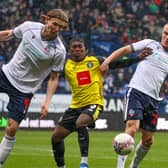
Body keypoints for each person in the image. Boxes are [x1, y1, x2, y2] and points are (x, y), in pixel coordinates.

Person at [40, 37, 152, 168]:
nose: (77, 49)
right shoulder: (66, 66)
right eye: (74, 47)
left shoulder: (95, 61)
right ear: (69, 50)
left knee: (81, 122)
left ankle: (84, 162)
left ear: (85, 50)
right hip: (74, 107)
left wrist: (137, 58)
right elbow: (51, 78)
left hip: (94, 103)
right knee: (56, 137)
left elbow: (118, 63)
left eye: (79, 47)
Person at [0, 9, 69, 168]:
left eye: (61, 27)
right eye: (55, 24)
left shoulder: (59, 51)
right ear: (46, 19)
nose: (56, 29)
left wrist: (47, 101)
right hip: (6, 74)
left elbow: (54, 77)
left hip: (24, 90)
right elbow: (9, 34)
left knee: (11, 128)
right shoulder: (29, 27)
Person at [100, 23, 168, 168]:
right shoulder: (150, 43)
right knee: (131, 129)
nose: (166, 37)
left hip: (154, 100)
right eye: (165, 33)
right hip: (136, 92)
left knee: (148, 141)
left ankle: (134, 166)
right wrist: (107, 61)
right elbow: (125, 49)